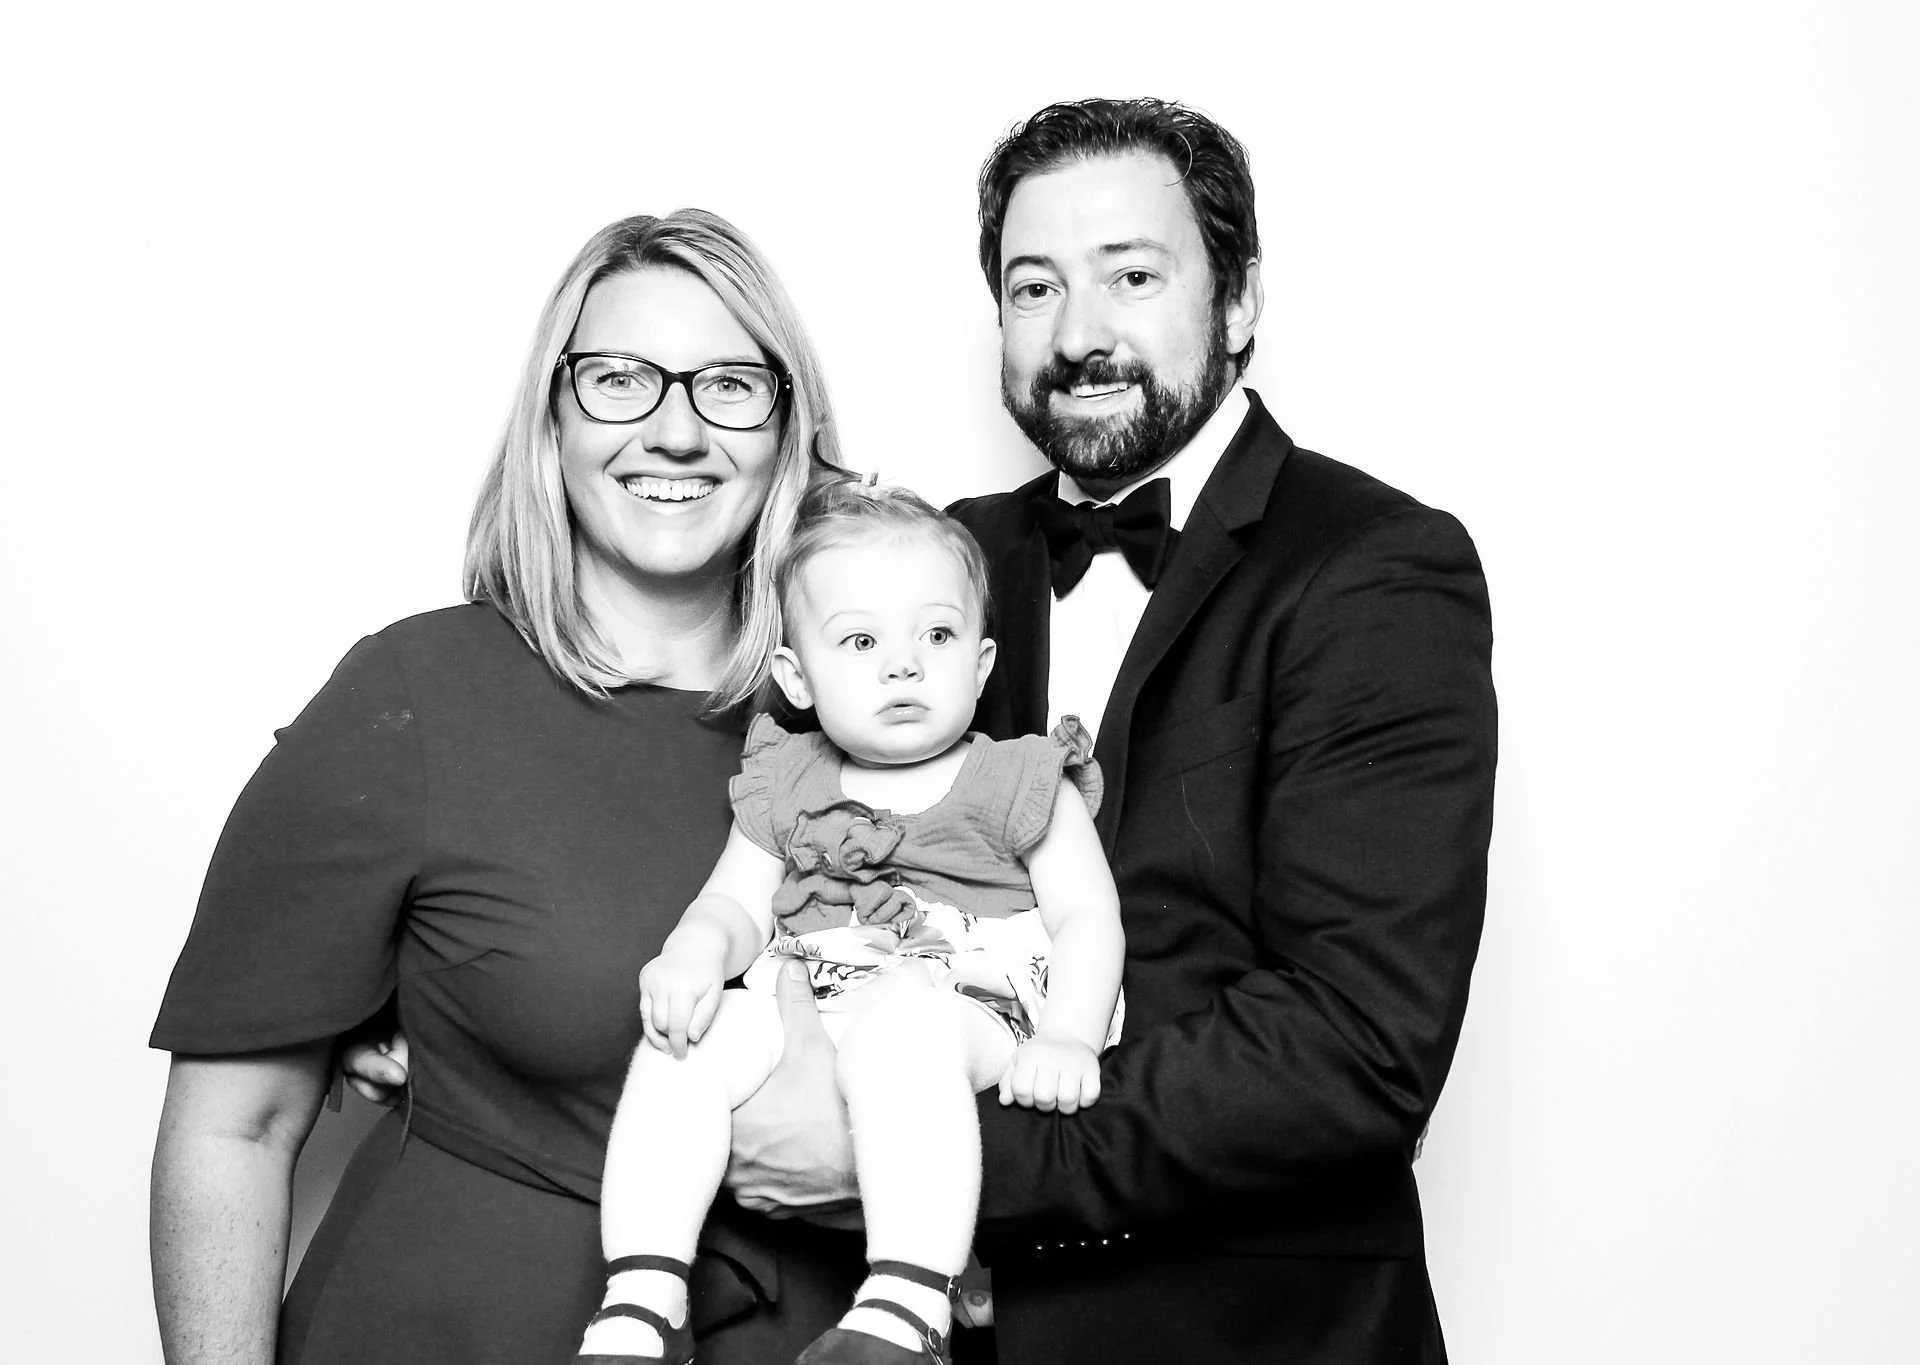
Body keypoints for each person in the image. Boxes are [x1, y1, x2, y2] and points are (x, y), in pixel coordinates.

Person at [715, 99, 1499, 1363]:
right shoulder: (938, 562)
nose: (1078, 334)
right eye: (1033, 288)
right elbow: (772, 815)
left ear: (1237, 301)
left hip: (1257, 1336)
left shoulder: (1375, 569)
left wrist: (906, 1155)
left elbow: (1357, 1043)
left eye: (1130, 276)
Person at [147, 209, 868, 1365]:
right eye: (620, 379)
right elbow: (236, 1126)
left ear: (789, 427)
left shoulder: (878, 715)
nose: (675, 430)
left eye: (730, 384)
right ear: (552, 419)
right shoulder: (416, 697)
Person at [573, 481, 1125, 1365]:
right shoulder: (787, 778)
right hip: (821, 990)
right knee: (683, 1042)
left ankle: (908, 1307)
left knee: (903, 1024)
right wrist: (694, 951)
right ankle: (643, 1297)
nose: (902, 664)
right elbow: (736, 903)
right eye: (861, 640)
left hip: (968, 999)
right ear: (798, 676)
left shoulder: (1020, 778)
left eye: (935, 636)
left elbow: (1089, 917)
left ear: (981, 668)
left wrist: (1069, 1036)